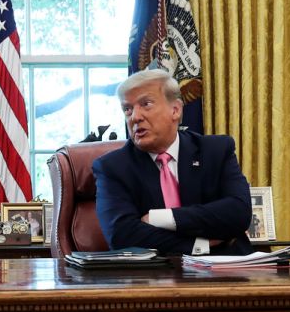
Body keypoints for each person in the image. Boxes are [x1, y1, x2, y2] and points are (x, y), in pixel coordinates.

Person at [92, 69, 253, 256]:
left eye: (146, 104)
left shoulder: (215, 151)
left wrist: (159, 217)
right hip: (153, 278)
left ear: (175, 110)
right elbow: (122, 235)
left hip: (226, 270)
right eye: (127, 109)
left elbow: (238, 213)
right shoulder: (113, 167)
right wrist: (199, 245)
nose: (135, 116)